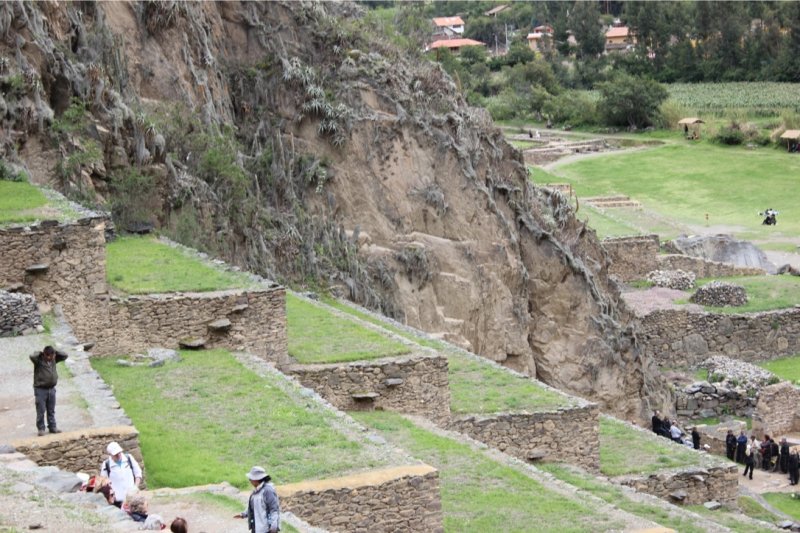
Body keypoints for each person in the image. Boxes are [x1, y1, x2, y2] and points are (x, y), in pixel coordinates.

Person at [30, 345, 68, 436]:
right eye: (47, 356)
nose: (49, 358)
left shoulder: (54, 360)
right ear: (44, 354)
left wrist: (55, 351)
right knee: (41, 410)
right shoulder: (38, 361)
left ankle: (52, 427)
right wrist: (40, 353)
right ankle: (41, 429)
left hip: (51, 389)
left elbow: (65, 355)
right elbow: (31, 356)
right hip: (40, 389)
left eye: (51, 356)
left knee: (51, 410)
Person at [234, 466, 280, 533]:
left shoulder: (268, 491)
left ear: (256, 479)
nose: (249, 480)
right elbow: (253, 507)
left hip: (267, 530)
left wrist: (273, 527)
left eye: (251, 478)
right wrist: (243, 514)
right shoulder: (256, 491)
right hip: (256, 529)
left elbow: (274, 509)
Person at [100, 442, 143, 507]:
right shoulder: (106, 464)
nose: (118, 455)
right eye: (116, 454)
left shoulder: (128, 458)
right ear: (110, 455)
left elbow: (138, 473)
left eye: (119, 452)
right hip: (118, 500)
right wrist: (111, 494)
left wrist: (135, 487)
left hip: (132, 497)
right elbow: (104, 482)